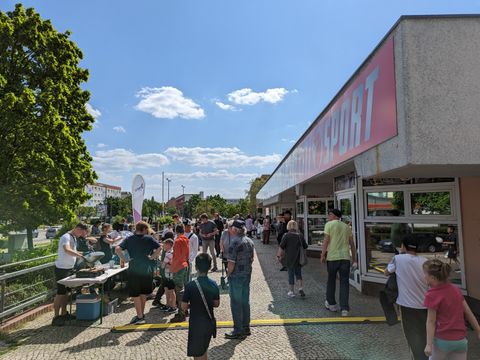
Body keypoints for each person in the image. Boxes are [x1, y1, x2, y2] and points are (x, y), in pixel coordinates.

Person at [423, 259, 480, 359]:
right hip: (460, 341)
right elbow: (468, 312)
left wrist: (429, 344)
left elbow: (431, 321)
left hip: (442, 341)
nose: (423, 276)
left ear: (432, 277)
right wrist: (478, 331)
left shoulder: (432, 295)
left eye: (424, 274)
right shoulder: (456, 290)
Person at [384, 234, 428, 360]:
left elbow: (386, 272)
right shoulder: (425, 261)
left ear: (403, 246)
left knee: (412, 336)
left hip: (406, 305)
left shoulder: (398, 259)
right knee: (424, 333)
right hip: (425, 304)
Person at [115, 221, 161, 324]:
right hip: (147, 269)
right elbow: (159, 248)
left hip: (134, 269)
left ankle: (140, 317)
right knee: (143, 293)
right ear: (144, 229)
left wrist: (124, 259)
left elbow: (117, 249)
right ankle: (141, 314)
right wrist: (152, 257)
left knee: (135, 294)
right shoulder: (149, 238)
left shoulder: (129, 239)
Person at [182, 253, 220, 360]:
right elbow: (216, 304)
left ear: (196, 267)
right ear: (209, 267)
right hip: (208, 321)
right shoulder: (213, 284)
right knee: (203, 348)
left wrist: (191, 305)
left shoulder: (190, 286)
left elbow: (183, 306)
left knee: (197, 353)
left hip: (196, 323)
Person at [321, 209, 357, 317]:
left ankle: (331, 304)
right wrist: (354, 259)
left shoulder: (329, 225)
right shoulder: (346, 227)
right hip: (345, 258)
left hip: (332, 258)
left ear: (335, 216)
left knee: (331, 280)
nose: (328, 216)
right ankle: (344, 308)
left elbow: (326, 240)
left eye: (330, 214)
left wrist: (322, 254)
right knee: (344, 283)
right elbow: (352, 244)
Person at [52, 223, 88, 326]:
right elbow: (67, 250)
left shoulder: (74, 237)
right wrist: (80, 256)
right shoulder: (66, 237)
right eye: (81, 233)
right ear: (77, 228)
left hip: (69, 268)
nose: (81, 235)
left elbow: (74, 251)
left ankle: (64, 313)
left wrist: (85, 254)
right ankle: (56, 317)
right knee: (60, 293)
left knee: (66, 293)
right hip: (61, 269)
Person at [225, 220, 254, 339]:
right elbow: (252, 259)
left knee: (236, 303)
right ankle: (246, 327)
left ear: (235, 229)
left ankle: (238, 330)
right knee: (244, 301)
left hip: (236, 276)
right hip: (247, 274)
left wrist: (227, 274)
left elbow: (231, 264)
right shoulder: (249, 241)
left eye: (231, 227)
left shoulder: (234, 243)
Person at [277, 220, 308, 298]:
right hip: (299, 258)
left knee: (290, 274)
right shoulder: (300, 235)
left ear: (288, 226)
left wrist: (279, 256)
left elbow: (281, 247)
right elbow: (305, 246)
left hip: (289, 258)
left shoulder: (286, 235)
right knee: (298, 273)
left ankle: (291, 291)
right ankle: (300, 288)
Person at [170, 224, 190, 323]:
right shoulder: (186, 239)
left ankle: (181, 314)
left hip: (178, 267)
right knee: (184, 289)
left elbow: (176, 256)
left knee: (179, 290)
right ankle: (185, 310)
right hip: (185, 264)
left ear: (176, 231)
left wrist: (172, 268)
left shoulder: (177, 241)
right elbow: (186, 253)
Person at [161, 238, 177, 314]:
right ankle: (169, 305)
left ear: (168, 245)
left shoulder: (168, 253)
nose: (163, 246)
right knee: (168, 290)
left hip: (170, 274)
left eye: (164, 244)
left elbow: (163, 265)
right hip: (169, 274)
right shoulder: (171, 252)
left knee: (171, 290)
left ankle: (173, 306)